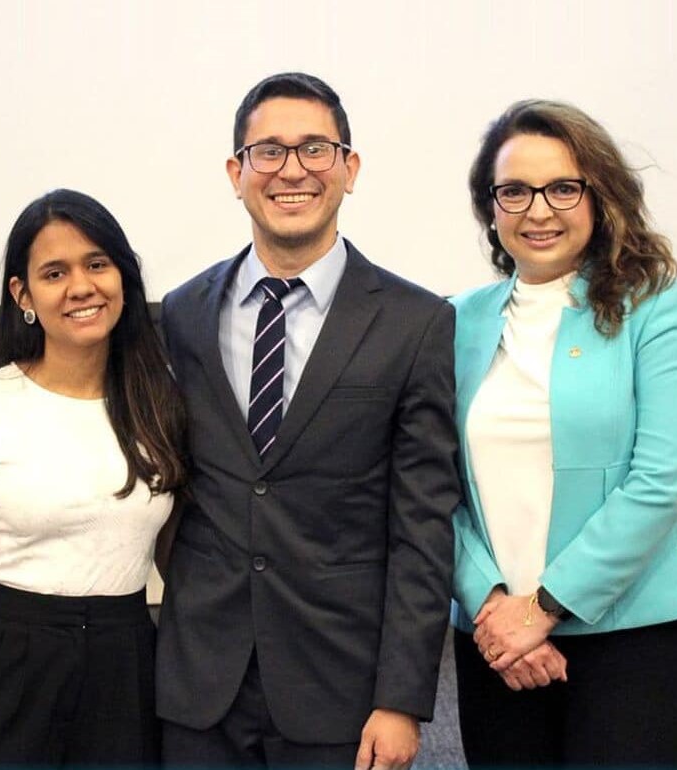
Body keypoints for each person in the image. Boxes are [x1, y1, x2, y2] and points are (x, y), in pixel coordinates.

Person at [154, 72, 459, 769]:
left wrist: (402, 698)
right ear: (237, 173)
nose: (292, 170)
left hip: (340, 689)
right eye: (268, 151)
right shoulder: (183, 314)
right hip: (200, 684)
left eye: (316, 149)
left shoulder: (415, 324)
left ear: (350, 169)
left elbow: (422, 527)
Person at [450, 99, 677, 767]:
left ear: (601, 195)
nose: (538, 210)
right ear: (491, 206)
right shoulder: (456, 320)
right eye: (514, 191)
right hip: (495, 635)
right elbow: (430, 482)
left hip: (629, 632)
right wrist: (491, 604)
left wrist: (544, 606)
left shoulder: (655, 304)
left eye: (563, 187)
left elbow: (663, 477)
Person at [0, 189, 187, 768]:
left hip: (126, 666)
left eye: (97, 264)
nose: (81, 286)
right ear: (23, 294)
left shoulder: (161, 406)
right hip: (8, 667)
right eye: (54, 272)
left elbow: (181, 563)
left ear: (123, 279)